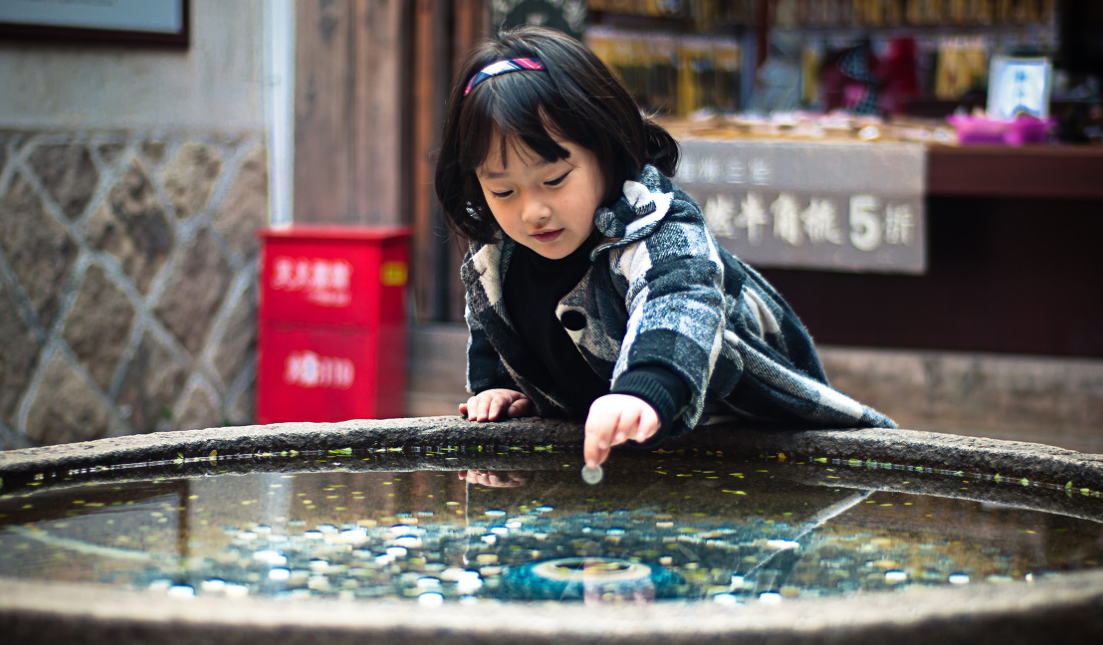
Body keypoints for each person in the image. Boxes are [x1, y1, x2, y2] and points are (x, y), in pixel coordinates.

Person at [434, 27, 895, 472]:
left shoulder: (656, 224)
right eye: (504, 191)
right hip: (626, 447)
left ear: (605, 147)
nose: (533, 211)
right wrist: (498, 388)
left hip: (751, 425)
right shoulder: (495, 256)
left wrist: (644, 387)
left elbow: (678, 301)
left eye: (554, 181)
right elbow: (494, 326)